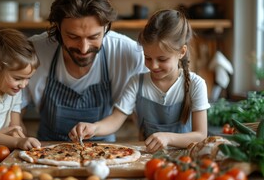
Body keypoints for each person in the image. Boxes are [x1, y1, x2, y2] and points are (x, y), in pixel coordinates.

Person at [21, 0, 146, 142]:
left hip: (105, 155)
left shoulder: (129, 53)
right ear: (57, 27)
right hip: (46, 151)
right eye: (73, 37)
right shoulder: (33, 52)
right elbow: (14, 110)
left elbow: (144, 115)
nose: (84, 48)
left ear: (106, 27)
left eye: (94, 37)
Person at [69, 9, 210, 152]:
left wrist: (168, 138)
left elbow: (201, 135)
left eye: (162, 59)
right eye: (147, 57)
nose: (153, 66)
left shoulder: (196, 84)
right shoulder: (137, 82)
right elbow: (115, 120)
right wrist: (94, 127)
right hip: (148, 158)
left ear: (182, 52)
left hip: (186, 159)